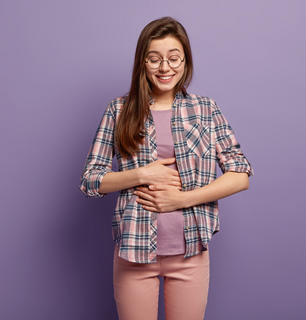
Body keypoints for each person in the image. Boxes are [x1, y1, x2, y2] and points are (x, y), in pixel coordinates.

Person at [79, 16, 253, 320]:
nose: (165, 68)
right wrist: (142, 174)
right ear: (142, 63)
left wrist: (182, 199)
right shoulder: (119, 110)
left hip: (190, 254)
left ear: (185, 60)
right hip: (134, 252)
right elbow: (90, 181)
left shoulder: (205, 109)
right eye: (154, 59)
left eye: (174, 58)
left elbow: (240, 174)